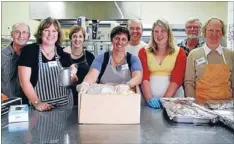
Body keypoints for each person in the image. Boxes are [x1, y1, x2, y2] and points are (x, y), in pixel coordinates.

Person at [18, 17, 77, 111]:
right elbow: (24, 81)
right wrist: (37, 103)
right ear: (40, 33)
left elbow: (73, 81)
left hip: (64, 106)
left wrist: (72, 74)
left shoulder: (63, 52)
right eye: (47, 30)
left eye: (54, 31)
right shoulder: (30, 51)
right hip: (40, 107)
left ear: (58, 34)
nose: (50, 34)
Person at [77, 26, 143, 95]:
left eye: (123, 39)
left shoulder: (133, 59)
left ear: (127, 42)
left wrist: (127, 85)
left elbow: (138, 76)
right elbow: (92, 75)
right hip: (104, 98)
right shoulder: (102, 58)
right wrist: (85, 84)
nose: (120, 42)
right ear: (112, 40)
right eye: (117, 38)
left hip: (125, 97)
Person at [138, 18, 187, 109]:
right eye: (156, 31)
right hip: (149, 99)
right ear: (152, 34)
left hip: (173, 99)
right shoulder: (143, 52)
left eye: (163, 31)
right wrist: (149, 99)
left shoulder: (180, 52)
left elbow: (176, 79)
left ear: (168, 33)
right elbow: (144, 78)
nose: (159, 34)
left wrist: (164, 100)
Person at [184, 17, 234, 104]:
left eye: (218, 30)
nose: (214, 34)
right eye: (210, 30)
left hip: (227, 106)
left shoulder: (230, 54)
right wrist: (193, 104)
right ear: (204, 32)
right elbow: (189, 82)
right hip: (201, 106)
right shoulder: (194, 54)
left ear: (222, 33)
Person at [60, 25, 95, 106]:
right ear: (70, 38)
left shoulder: (90, 56)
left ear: (84, 39)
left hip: (84, 95)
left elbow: (94, 77)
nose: (77, 39)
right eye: (74, 36)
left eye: (80, 36)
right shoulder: (63, 54)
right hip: (65, 96)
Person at [1, 23, 30, 103]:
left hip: (30, 104)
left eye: (24, 32)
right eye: (17, 32)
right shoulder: (1, 55)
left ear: (29, 36)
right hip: (6, 104)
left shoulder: (33, 55)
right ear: (11, 35)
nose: (21, 36)